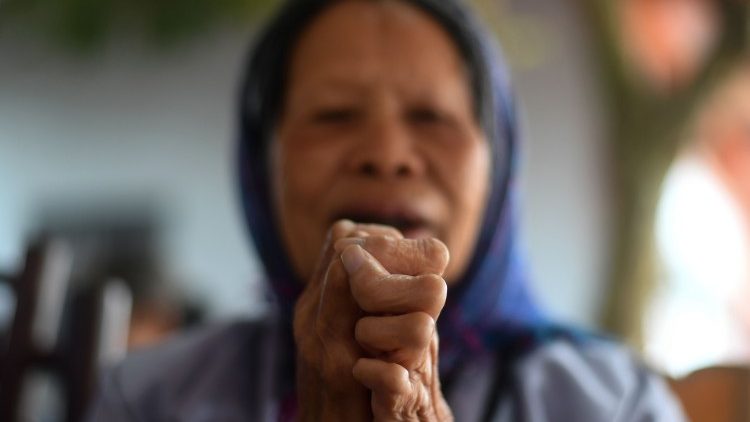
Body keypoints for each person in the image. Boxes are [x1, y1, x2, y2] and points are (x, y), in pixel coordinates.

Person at [87, 0, 686, 420]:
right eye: (334, 116)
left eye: (432, 118)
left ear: (498, 167)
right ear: (260, 166)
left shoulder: (614, 405)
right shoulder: (152, 398)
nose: (385, 156)